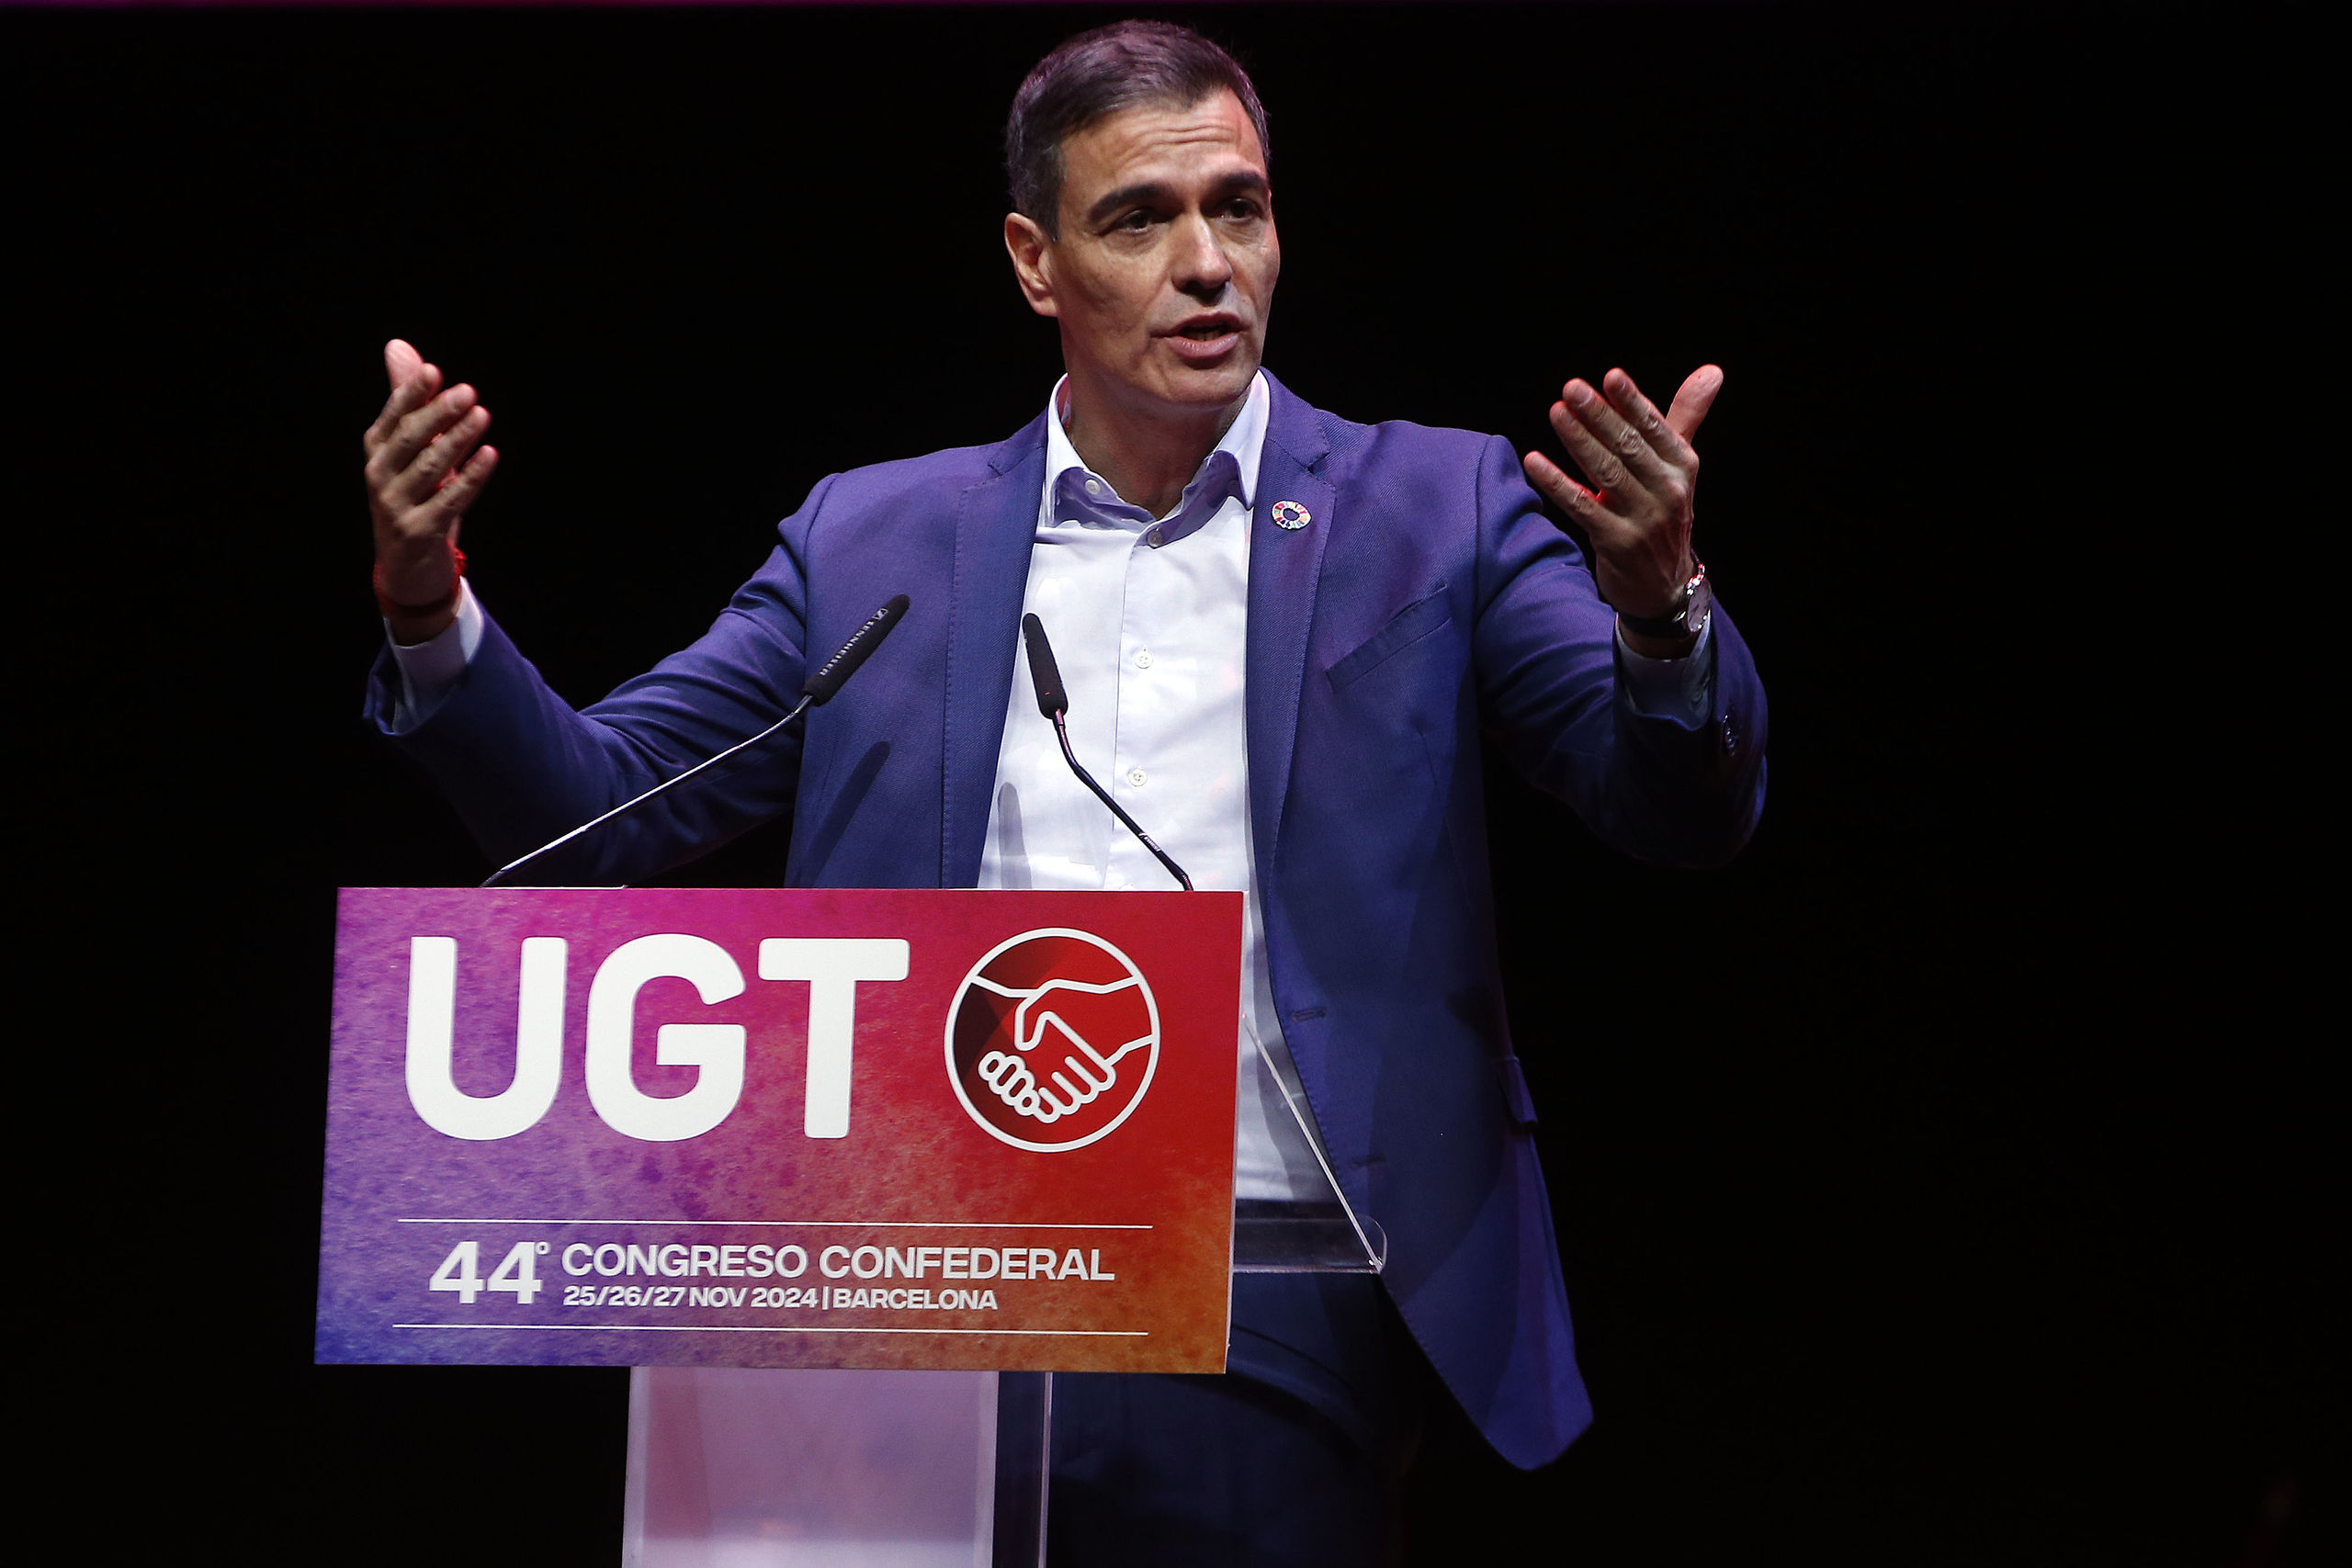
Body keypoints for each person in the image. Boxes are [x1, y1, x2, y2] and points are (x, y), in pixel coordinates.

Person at [359, 20, 1766, 1563]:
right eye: (1140, 219)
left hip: (1267, 1288)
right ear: (1037, 263)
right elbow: (597, 807)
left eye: (1239, 208)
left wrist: (1664, 612)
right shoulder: (872, 542)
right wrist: (430, 609)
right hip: (907, 1278)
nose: (1208, 265)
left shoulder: (1439, 506)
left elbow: (1675, 806)